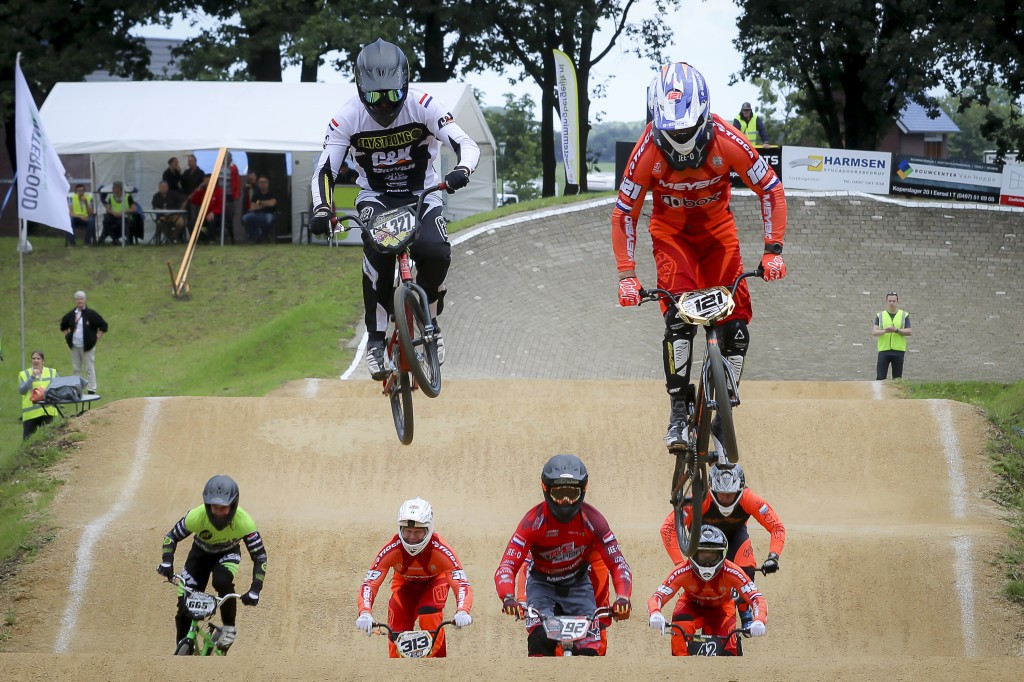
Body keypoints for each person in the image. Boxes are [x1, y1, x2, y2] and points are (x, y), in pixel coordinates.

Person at [612, 63, 788, 454]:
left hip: (717, 236)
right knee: (678, 321)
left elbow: (771, 190)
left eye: (687, 130)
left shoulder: (729, 139)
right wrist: (627, 275)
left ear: (705, 116)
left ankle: (726, 406)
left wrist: (773, 250)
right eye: (671, 132)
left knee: (737, 327)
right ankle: (678, 409)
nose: (679, 139)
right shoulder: (646, 152)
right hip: (672, 237)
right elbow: (625, 213)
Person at [309, 38, 480, 380]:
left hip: (423, 192)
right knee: (379, 253)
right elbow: (324, 171)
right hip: (376, 196)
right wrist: (321, 209)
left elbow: (466, 144)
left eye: (391, 95)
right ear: (360, 89)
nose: (384, 105)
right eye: (374, 96)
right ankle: (375, 340)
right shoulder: (346, 119)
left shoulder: (424, 105)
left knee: (435, 252)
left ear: (405, 84)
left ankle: (431, 312)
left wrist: (462, 170)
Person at [495, 454, 633, 657]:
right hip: (541, 586)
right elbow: (507, 565)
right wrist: (508, 597)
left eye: (571, 493)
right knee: (540, 639)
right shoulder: (532, 521)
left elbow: (618, 562)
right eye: (560, 493)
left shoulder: (593, 520)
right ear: (546, 490)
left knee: (589, 651)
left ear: (583, 491)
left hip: (578, 586)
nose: (565, 501)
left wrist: (623, 597)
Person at [660, 463, 784, 629]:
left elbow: (776, 527)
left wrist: (773, 557)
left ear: (741, 490)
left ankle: (744, 609)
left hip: (735, 537)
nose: (726, 498)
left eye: (731, 494)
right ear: (711, 488)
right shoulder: (700, 498)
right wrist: (680, 565)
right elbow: (668, 529)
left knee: (746, 568)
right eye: (721, 493)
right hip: (702, 543)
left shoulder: (750, 498)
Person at [156, 475, 267, 653]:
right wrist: (167, 562)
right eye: (215, 507)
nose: (219, 512)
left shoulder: (244, 522)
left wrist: (255, 590)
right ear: (207, 505)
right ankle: (180, 654)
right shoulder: (197, 515)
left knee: (222, 581)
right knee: (184, 607)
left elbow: (260, 556)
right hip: (199, 556)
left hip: (227, 555)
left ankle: (229, 628)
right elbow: (171, 537)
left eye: (224, 508)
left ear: (233, 505)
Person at [356, 497, 473, 658]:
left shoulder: (441, 550)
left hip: (434, 581)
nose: (411, 537)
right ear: (400, 529)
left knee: (428, 611)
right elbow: (370, 583)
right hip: (405, 585)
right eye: (407, 531)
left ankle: (436, 667)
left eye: (417, 532)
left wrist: (462, 611)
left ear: (428, 529)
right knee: (397, 623)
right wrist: (365, 612)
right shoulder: (391, 549)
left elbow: (461, 583)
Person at [647, 525, 767, 656]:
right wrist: (655, 613)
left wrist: (759, 620)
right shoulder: (682, 571)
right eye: (702, 556)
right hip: (691, 605)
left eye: (712, 556)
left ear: (723, 554)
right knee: (681, 629)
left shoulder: (733, 572)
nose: (707, 562)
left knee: (729, 652)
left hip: (722, 609)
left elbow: (756, 598)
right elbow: (658, 596)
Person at [59, 290, 108, 395]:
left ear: (85, 300)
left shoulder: (91, 314)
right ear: (75, 301)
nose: (79, 301)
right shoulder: (71, 314)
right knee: (76, 368)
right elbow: (63, 325)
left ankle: (92, 389)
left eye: (81, 299)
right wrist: (68, 336)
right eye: (77, 299)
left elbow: (103, 325)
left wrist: (96, 338)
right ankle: (77, 389)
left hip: (88, 346)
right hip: (74, 346)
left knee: (89, 368)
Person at [18, 350, 59, 439]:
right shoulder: (25, 374)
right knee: (27, 441)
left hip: (48, 411)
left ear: (43, 361)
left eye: (38, 358)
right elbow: (22, 390)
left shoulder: (52, 372)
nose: (36, 360)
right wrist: (32, 377)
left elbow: (59, 387)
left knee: (47, 439)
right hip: (31, 413)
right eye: (33, 358)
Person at [873, 291, 912, 380]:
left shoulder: (904, 315)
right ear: (886, 301)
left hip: (898, 350)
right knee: (880, 377)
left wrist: (896, 330)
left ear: (897, 301)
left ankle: (896, 394)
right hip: (884, 350)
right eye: (890, 301)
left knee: (897, 378)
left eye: (894, 301)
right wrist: (886, 331)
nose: (891, 303)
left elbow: (909, 331)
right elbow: (874, 332)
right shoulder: (880, 315)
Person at [98, 181, 141, 245]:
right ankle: (115, 239)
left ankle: (118, 240)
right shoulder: (112, 197)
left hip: (125, 217)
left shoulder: (128, 197)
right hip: (114, 216)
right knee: (106, 222)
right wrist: (113, 212)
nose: (113, 189)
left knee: (121, 222)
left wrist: (123, 212)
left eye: (114, 188)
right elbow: (108, 209)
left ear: (119, 188)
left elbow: (134, 209)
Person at [190, 173, 225, 244]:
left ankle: (211, 239)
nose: (206, 182)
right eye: (205, 181)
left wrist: (213, 212)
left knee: (211, 221)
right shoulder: (202, 191)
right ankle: (203, 238)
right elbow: (194, 201)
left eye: (208, 181)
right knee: (190, 223)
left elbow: (221, 205)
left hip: (216, 215)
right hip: (204, 215)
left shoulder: (219, 191)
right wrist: (197, 191)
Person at [241, 176, 277, 243]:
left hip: (268, 214)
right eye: (260, 182)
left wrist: (259, 203)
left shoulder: (272, 193)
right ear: (258, 184)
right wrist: (266, 204)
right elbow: (252, 207)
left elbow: (272, 203)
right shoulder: (256, 194)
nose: (263, 184)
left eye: (264, 182)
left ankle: (264, 236)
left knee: (270, 219)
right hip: (256, 214)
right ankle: (256, 236)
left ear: (268, 183)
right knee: (245, 218)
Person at [222, 152, 241, 244]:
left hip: (230, 195)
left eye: (228, 157)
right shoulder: (218, 167)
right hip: (219, 196)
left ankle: (232, 238)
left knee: (229, 217)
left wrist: (236, 195)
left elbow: (237, 182)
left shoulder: (233, 168)